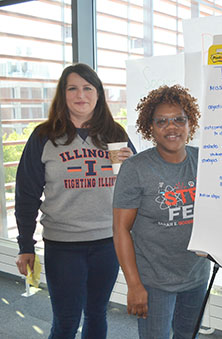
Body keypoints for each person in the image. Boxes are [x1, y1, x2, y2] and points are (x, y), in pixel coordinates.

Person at [15, 63, 136, 339]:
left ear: (98, 94)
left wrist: (131, 166)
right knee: (67, 321)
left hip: (109, 242)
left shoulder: (115, 135)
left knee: (97, 314)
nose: (80, 95)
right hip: (64, 246)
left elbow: (135, 187)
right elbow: (26, 196)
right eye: (73, 88)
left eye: (87, 88)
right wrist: (26, 245)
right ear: (63, 94)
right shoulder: (43, 137)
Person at [112, 84, 209, 339]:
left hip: (196, 275)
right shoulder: (135, 169)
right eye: (162, 121)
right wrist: (134, 285)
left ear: (190, 123)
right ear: (150, 127)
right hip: (153, 282)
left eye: (179, 119)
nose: (172, 127)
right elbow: (120, 229)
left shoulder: (206, 161)